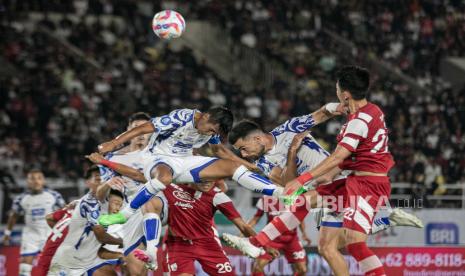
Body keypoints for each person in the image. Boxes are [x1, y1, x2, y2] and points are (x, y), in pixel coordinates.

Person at [223, 66, 418, 276]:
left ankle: (256, 242)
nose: (244, 154)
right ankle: (255, 242)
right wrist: (292, 155)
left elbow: (320, 115)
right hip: (325, 183)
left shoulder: (289, 128)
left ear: (258, 138)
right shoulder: (264, 163)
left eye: (244, 148)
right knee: (327, 245)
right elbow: (287, 183)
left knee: (350, 241)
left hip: (340, 177)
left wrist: (336, 106)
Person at [97, 107, 283, 227]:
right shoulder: (182, 117)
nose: (211, 134)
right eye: (211, 129)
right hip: (157, 158)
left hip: (185, 161)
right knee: (164, 178)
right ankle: (125, 214)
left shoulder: (212, 129)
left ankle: (281, 193)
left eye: (214, 133)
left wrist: (246, 164)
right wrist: (113, 144)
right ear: (207, 116)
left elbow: (219, 151)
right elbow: (145, 128)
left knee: (231, 167)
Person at [135, 180, 271, 276]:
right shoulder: (172, 186)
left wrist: (262, 245)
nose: (206, 182)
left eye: (210, 179)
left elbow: (242, 225)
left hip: (208, 244)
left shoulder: (218, 197)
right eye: (202, 179)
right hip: (179, 245)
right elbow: (145, 176)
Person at [47, 165, 124, 275]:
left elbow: (98, 246)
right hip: (69, 261)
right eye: (97, 179)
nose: (102, 182)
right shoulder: (90, 204)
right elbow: (49, 218)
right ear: (88, 182)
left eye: (104, 178)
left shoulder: (104, 204)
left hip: (87, 259)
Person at [2, 169, 65, 276]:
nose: (36, 181)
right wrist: (7, 234)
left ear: (43, 181)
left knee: (55, 269)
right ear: (28, 181)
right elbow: (13, 217)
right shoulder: (21, 199)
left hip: (50, 235)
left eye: (39, 178)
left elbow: (66, 212)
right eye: (32, 178)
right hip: (30, 236)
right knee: (24, 270)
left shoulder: (54, 196)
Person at [248, 196, 310, 276]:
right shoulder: (265, 199)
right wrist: (244, 229)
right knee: (257, 268)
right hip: (271, 238)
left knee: (302, 270)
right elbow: (255, 218)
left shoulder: (295, 197)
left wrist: (304, 233)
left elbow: (300, 218)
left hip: (291, 239)